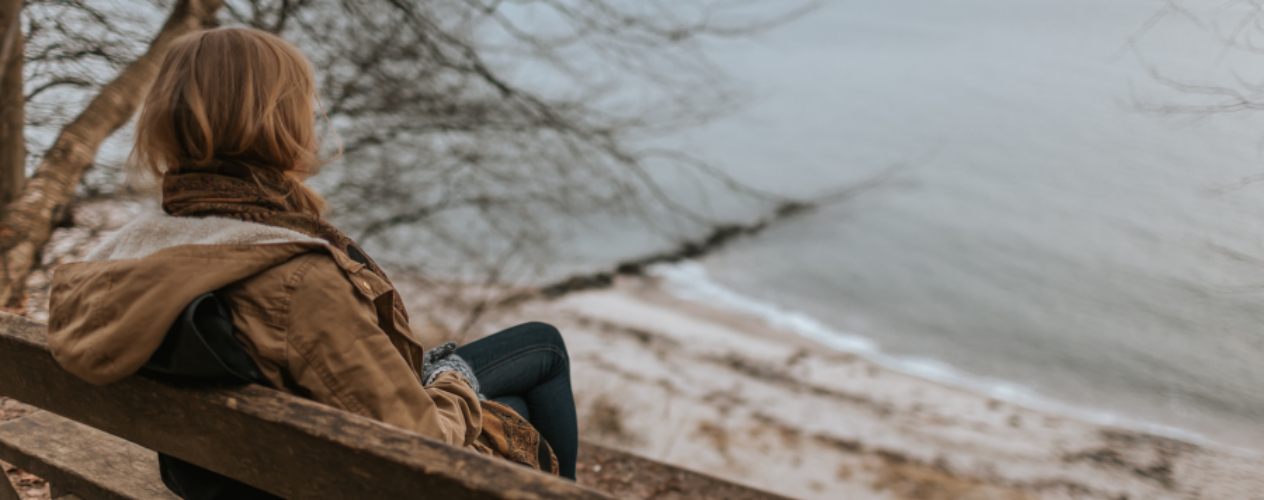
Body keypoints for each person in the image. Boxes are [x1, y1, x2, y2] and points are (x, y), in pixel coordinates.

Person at [43, 27, 578, 498]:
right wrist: (454, 380)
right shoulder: (296, 279)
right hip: (322, 480)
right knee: (539, 361)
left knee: (535, 345)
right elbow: (420, 448)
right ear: (279, 120)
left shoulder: (124, 252)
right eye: (304, 103)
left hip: (217, 473)